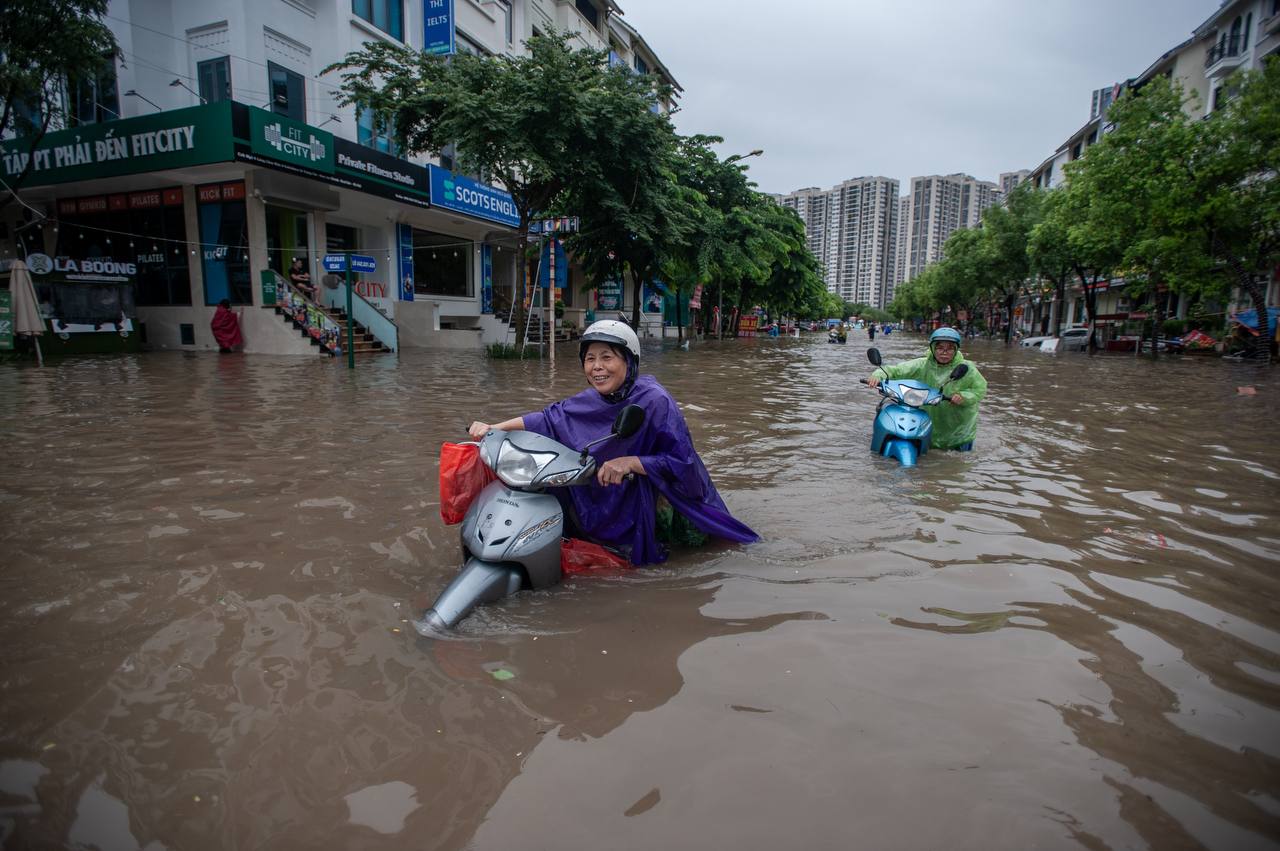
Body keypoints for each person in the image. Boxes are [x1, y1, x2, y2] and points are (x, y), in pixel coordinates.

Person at [467, 319, 757, 565]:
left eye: (607, 357)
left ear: (628, 361)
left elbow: (684, 465)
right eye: (590, 359)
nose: (597, 367)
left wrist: (632, 462)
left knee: (686, 555)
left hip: (655, 499)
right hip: (605, 492)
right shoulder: (592, 399)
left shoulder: (655, 401)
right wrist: (492, 428)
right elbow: (547, 418)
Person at [864, 326, 988, 451]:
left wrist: (964, 397)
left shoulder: (967, 368)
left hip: (958, 428)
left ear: (956, 350)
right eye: (940, 348)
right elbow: (896, 370)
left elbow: (980, 389)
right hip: (928, 422)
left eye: (950, 348)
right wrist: (877, 375)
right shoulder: (922, 364)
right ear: (932, 348)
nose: (944, 352)